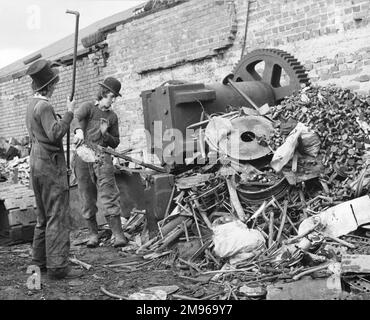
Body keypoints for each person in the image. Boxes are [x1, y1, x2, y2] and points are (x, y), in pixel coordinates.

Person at [25, 59, 82, 280]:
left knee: (43, 218)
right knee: (56, 215)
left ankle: (39, 263)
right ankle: (58, 268)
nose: (55, 88)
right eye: (54, 85)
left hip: (36, 164)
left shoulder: (32, 105)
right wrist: (68, 113)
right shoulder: (45, 106)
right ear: (48, 86)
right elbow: (55, 133)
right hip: (50, 165)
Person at [72, 77, 128, 248]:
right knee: (86, 197)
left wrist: (106, 134)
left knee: (109, 195)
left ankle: (118, 234)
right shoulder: (88, 108)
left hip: (103, 158)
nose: (113, 100)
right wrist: (79, 131)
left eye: (115, 97)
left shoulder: (112, 116)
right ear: (103, 93)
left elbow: (116, 142)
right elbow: (75, 117)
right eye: (112, 96)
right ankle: (93, 235)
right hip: (83, 157)